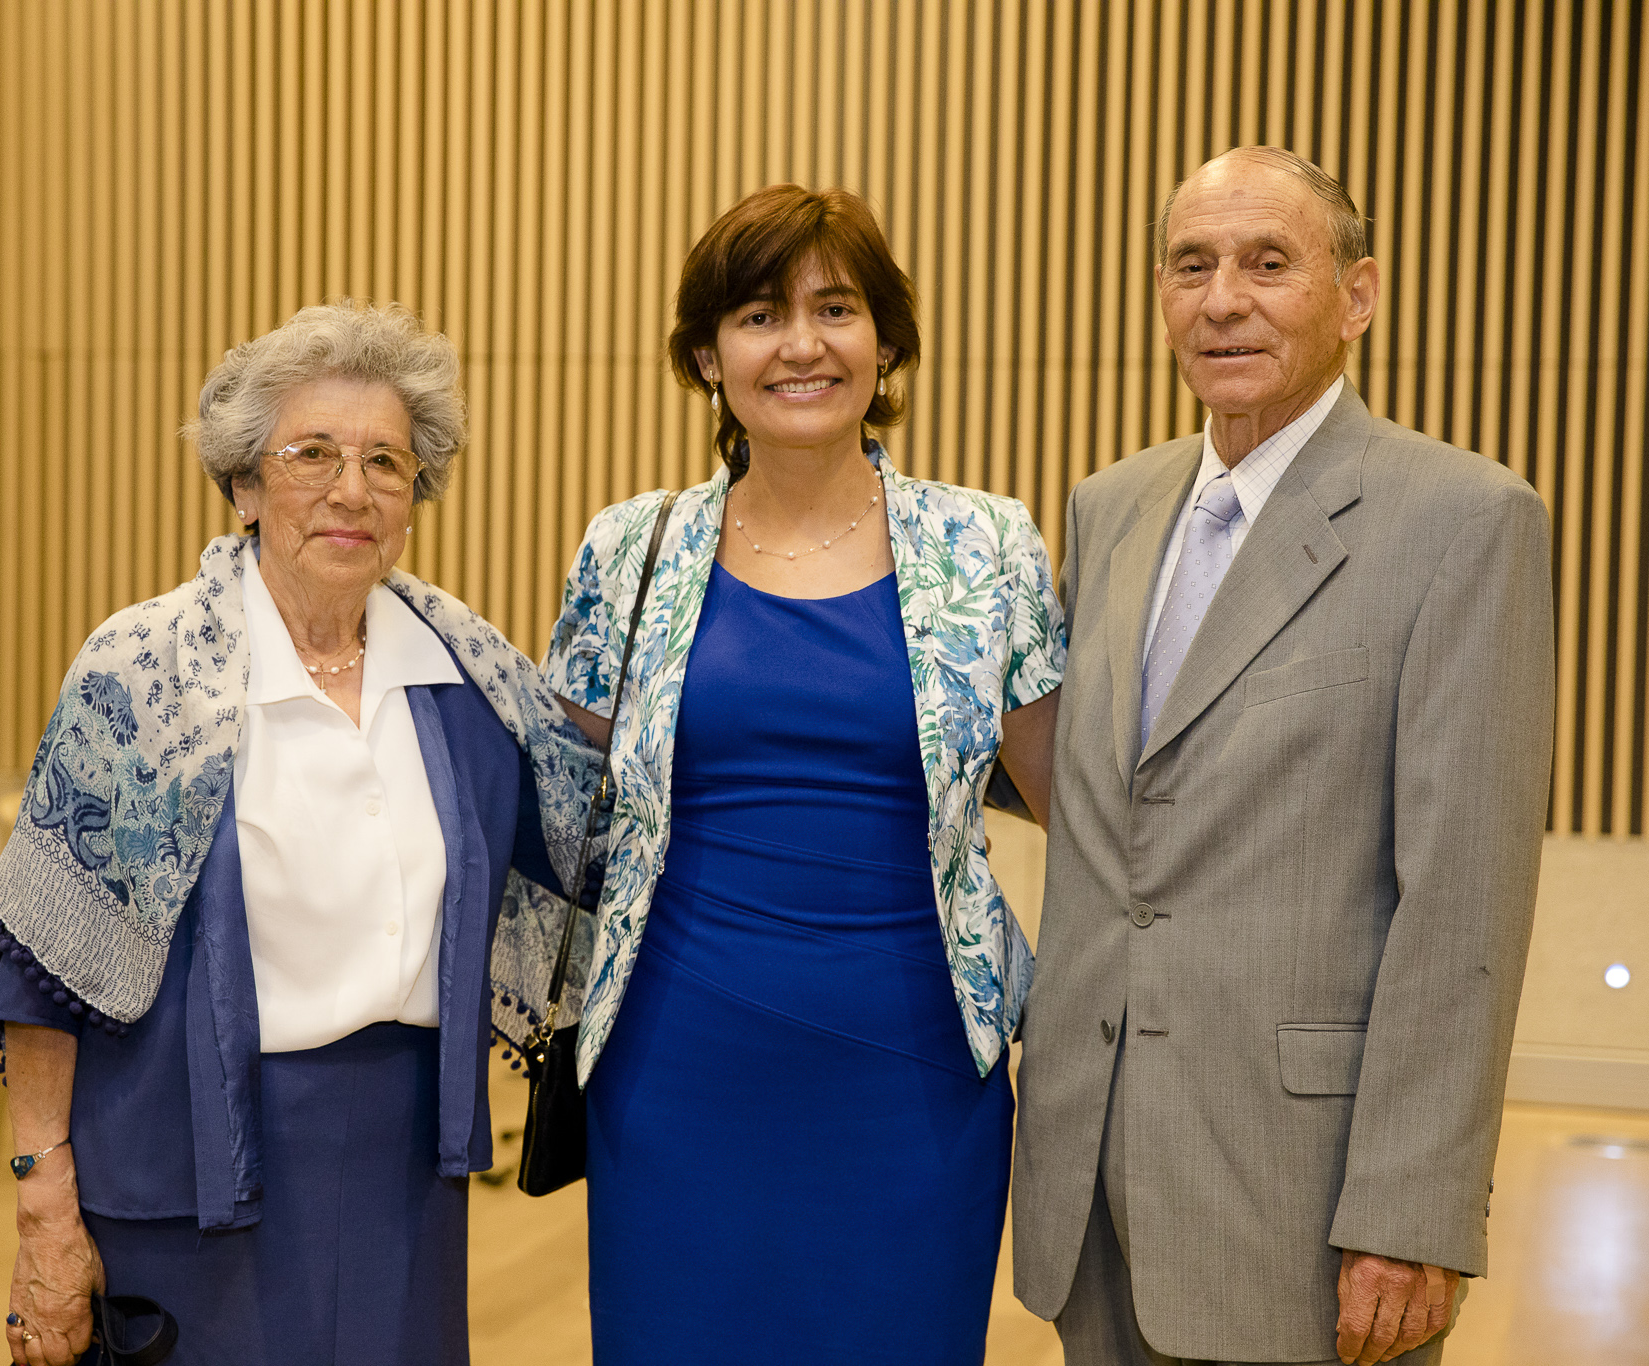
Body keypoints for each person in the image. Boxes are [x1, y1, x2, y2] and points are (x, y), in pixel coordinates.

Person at [1011, 147, 1555, 1366]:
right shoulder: (1109, 506)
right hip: (1088, 1177)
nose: (1222, 300)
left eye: (1267, 264)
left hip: (1305, 1201)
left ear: (1356, 295)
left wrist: (1409, 1213)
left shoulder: (1463, 521)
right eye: (1189, 266)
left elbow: (1462, 902)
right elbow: (1098, 798)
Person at [0, 300, 590, 1366]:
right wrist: (43, 1202)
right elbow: (41, 968)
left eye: (385, 462)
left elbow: (602, 851)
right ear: (245, 485)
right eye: (312, 454)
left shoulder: (470, 680)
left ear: (414, 497)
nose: (352, 489)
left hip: (406, 1170)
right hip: (189, 1169)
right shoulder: (140, 673)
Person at [537, 184, 1065, 1364]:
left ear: (884, 343)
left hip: (915, 1070)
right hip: (675, 1062)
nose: (800, 345)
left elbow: (1075, 812)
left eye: (835, 308)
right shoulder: (629, 546)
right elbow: (564, 806)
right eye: (759, 315)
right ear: (706, 356)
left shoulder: (985, 545)